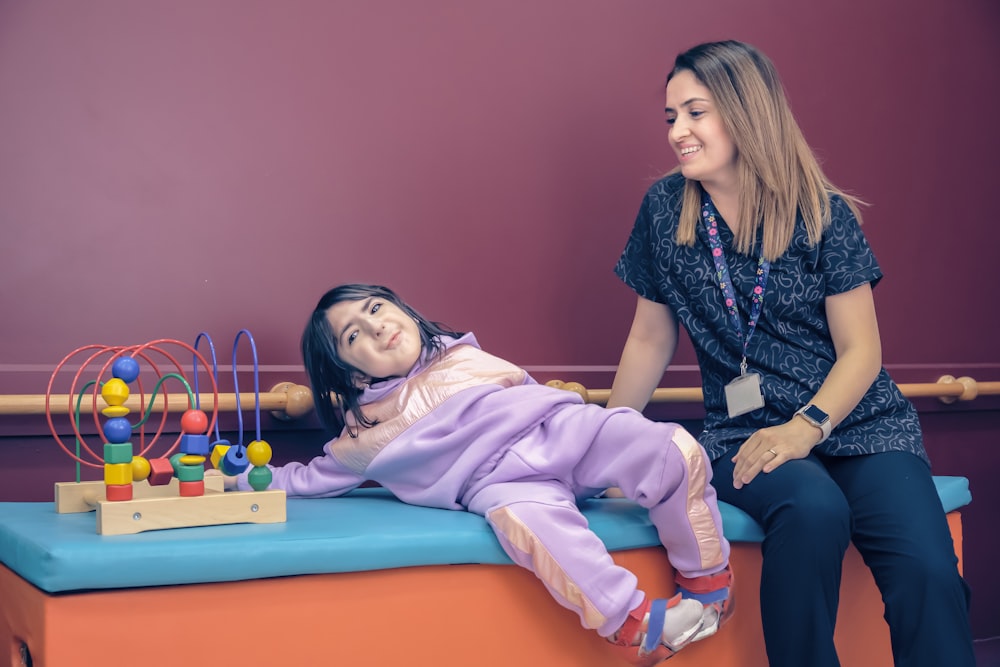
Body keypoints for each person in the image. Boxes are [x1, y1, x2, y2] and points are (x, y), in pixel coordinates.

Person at [608, 40, 975, 667]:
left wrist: (806, 428)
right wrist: (609, 441)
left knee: (929, 574)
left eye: (695, 113)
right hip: (747, 430)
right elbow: (650, 337)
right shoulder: (665, 208)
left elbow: (862, 351)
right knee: (811, 509)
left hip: (859, 425)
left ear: (746, 112)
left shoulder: (822, 212)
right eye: (671, 117)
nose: (678, 132)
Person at [225, 283, 733, 665]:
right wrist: (239, 479)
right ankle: (634, 625)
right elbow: (306, 478)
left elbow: (525, 386)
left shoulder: (460, 351)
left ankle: (707, 580)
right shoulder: (364, 438)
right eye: (354, 334)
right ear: (353, 373)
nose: (376, 325)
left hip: (562, 430)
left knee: (671, 447)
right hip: (504, 483)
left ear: (402, 310)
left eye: (376, 308)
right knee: (536, 532)